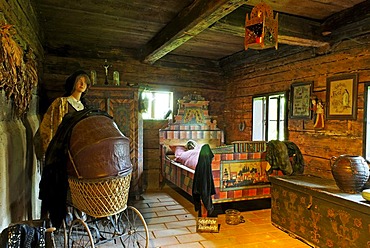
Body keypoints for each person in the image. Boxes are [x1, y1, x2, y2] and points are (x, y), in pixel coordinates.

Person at [37, 70, 91, 158]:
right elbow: (48, 125)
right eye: (79, 81)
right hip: (62, 146)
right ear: (74, 83)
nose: (82, 84)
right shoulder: (60, 103)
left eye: (85, 82)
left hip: (78, 147)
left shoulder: (85, 108)